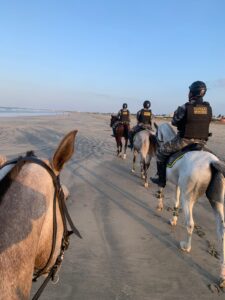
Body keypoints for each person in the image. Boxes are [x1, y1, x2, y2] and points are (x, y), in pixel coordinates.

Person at [151, 80, 212, 187]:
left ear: (193, 92)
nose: (188, 93)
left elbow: (174, 122)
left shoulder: (185, 107)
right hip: (202, 142)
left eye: (189, 91)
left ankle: (161, 180)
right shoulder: (208, 108)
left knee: (160, 152)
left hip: (184, 141)